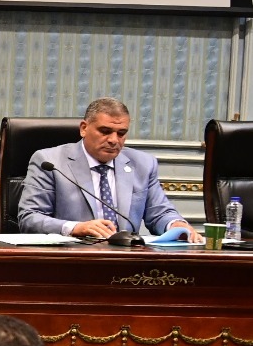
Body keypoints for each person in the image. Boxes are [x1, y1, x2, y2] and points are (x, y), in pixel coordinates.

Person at [18, 97, 204, 242]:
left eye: (121, 133)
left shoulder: (143, 164)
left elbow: (160, 212)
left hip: (126, 260)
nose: (114, 140)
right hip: (71, 259)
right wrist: (75, 228)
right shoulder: (50, 162)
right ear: (84, 128)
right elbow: (30, 218)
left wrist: (175, 224)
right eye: (105, 131)